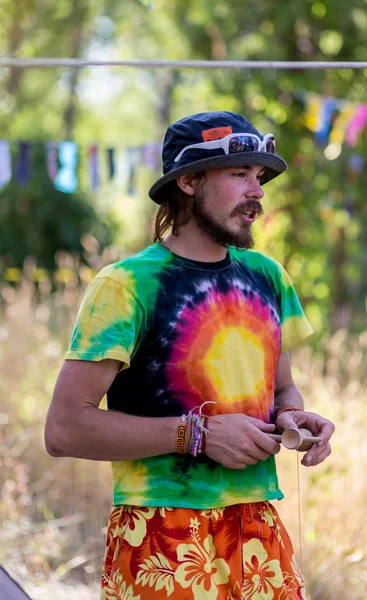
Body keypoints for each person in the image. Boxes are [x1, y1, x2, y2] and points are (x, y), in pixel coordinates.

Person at [45, 111, 335, 600]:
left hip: (257, 526)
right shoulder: (126, 285)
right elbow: (64, 428)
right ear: (188, 181)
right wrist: (195, 435)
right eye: (240, 174)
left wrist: (294, 418)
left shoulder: (268, 276)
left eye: (259, 177)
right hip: (161, 533)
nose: (258, 191)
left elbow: (281, 388)